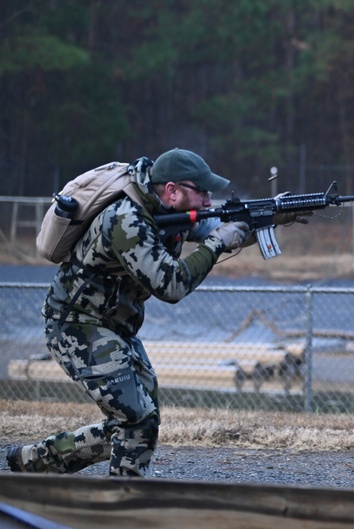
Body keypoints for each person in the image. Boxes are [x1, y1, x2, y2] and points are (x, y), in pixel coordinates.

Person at [6, 149, 250, 476]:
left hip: (115, 328)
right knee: (136, 418)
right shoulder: (128, 220)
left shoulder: (166, 210)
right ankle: (123, 498)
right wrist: (217, 243)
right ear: (172, 191)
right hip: (77, 326)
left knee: (141, 422)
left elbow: (216, 229)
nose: (208, 201)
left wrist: (268, 218)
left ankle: (33, 461)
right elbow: (172, 285)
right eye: (202, 192)